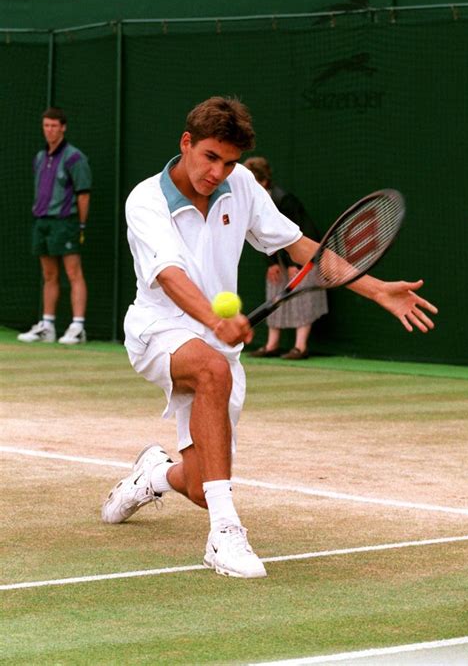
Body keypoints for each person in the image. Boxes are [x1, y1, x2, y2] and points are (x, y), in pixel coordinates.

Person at [101, 96, 437, 579]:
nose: (218, 172)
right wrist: (215, 320)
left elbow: (300, 247)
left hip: (218, 341)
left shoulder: (240, 186)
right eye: (210, 157)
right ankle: (224, 535)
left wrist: (375, 288)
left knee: (198, 485)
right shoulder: (145, 200)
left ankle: (152, 476)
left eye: (229, 162)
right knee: (212, 370)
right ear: (186, 143)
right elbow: (170, 275)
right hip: (158, 331)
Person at [17, 107, 92, 345]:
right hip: (42, 223)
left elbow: (83, 194)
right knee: (49, 275)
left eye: (54, 125)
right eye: (46, 126)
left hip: (66, 222)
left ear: (63, 127)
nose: (49, 130)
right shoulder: (40, 157)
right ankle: (47, 326)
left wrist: (80, 225)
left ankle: (77, 327)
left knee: (73, 273)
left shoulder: (74, 158)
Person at [245, 156, 328, 360]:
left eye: (251, 183)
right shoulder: (252, 204)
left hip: (305, 257)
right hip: (281, 257)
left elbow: (301, 234)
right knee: (274, 290)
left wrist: (294, 264)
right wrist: (272, 264)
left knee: (302, 296)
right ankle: (272, 345)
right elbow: (262, 238)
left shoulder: (284, 199)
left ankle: (300, 347)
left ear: (263, 182)